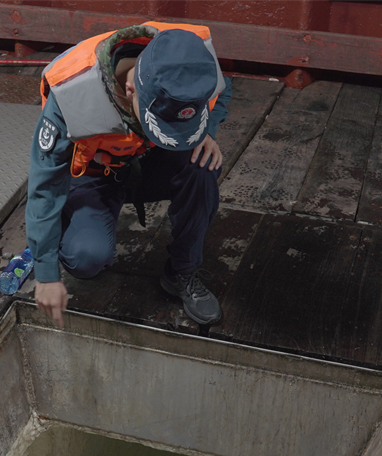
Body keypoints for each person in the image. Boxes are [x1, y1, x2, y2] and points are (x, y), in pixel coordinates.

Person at [27, 22, 233, 328]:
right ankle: (68, 231)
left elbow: (223, 87)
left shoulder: (193, 58)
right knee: (86, 259)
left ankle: (182, 272)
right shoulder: (71, 91)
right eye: (158, 123)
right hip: (95, 173)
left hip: (151, 160)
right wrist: (45, 274)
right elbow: (45, 184)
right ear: (130, 89)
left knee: (203, 166)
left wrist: (205, 131)